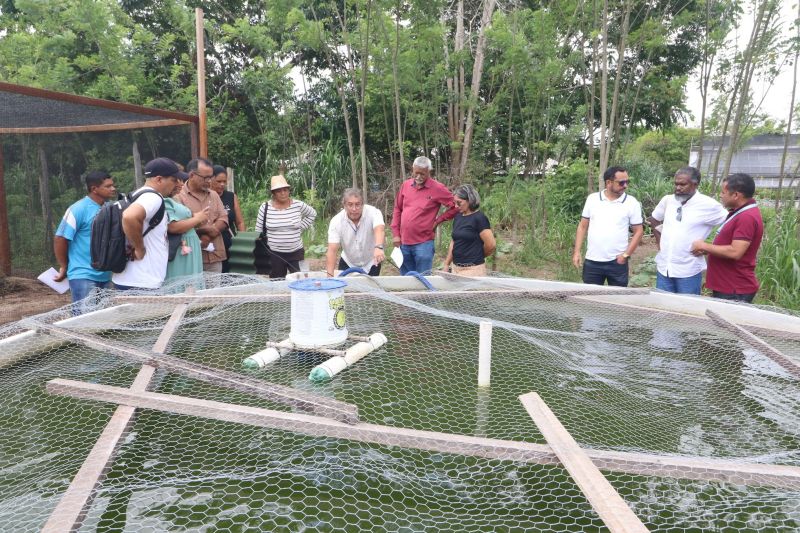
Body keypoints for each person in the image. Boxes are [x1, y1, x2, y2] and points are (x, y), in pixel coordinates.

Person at [647, 167, 728, 294]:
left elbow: (729, 225)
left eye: (683, 184)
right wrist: (660, 242)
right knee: (662, 308)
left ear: (695, 184)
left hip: (688, 270)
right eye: (676, 184)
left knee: (686, 308)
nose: (678, 188)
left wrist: (708, 247)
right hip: (664, 268)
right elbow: (654, 219)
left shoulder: (708, 205)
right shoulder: (668, 200)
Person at [691, 173, 763, 303]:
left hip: (734, 288)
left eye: (723, 192)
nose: (720, 195)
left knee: (727, 323)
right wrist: (710, 250)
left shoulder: (746, 217)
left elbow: (736, 252)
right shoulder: (739, 212)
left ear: (736, 195)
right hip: (728, 286)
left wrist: (704, 245)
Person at [53, 170, 117, 311]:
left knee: (105, 322)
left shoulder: (109, 208)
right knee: (84, 323)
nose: (113, 189)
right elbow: (60, 238)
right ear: (94, 189)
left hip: (106, 276)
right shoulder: (78, 209)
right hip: (83, 275)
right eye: (108, 186)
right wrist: (64, 266)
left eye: (113, 185)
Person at [113, 157, 180, 291]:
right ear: (159, 179)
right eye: (174, 180)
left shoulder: (135, 194)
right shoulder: (153, 197)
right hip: (142, 282)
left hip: (129, 278)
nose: (177, 184)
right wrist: (139, 248)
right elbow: (129, 216)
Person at [572, 166, 643, 286]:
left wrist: (626, 255)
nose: (625, 186)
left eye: (627, 182)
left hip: (617, 262)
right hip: (592, 261)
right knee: (590, 298)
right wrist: (577, 252)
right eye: (621, 183)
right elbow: (583, 226)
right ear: (608, 182)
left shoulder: (632, 203)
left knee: (617, 300)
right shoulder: (592, 199)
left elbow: (639, 231)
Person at [390, 156, 457, 274]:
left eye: (423, 174)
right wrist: (396, 234)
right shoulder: (405, 185)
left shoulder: (437, 188)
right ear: (412, 169)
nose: (418, 177)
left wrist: (438, 220)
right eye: (416, 173)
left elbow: (455, 206)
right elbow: (397, 209)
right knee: (406, 281)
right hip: (403, 242)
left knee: (423, 279)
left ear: (429, 172)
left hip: (424, 243)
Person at [255, 175, 317, 278]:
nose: (283, 193)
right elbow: (258, 230)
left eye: (285, 190)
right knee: (277, 283)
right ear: (273, 193)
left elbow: (312, 214)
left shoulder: (298, 205)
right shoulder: (265, 207)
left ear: (289, 191)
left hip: (296, 252)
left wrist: (300, 227)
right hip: (274, 254)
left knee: (300, 281)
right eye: (279, 191)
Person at [177, 158, 228, 274]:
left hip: (214, 257)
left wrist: (210, 234)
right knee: (191, 291)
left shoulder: (214, 195)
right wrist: (204, 230)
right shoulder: (179, 196)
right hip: (189, 258)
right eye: (205, 177)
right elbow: (178, 225)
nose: (209, 181)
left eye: (211, 177)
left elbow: (223, 218)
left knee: (214, 292)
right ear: (191, 175)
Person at [326, 188, 386, 277]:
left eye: (357, 205)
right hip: (348, 262)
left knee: (371, 289)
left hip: (371, 261)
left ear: (363, 204)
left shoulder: (374, 212)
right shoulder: (336, 221)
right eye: (350, 205)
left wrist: (378, 247)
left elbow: (379, 229)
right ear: (344, 205)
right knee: (346, 289)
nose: (354, 209)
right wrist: (329, 276)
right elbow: (332, 250)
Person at [164, 171, 207, 291]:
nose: (181, 184)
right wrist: (197, 218)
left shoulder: (174, 200)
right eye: (177, 180)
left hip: (190, 247)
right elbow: (172, 227)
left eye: (182, 181)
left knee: (192, 282)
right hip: (180, 249)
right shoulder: (164, 201)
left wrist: (197, 218)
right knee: (180, 282)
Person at [443, 184, 496, 277]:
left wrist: (478, 255)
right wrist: (447, 264)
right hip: (456, 268)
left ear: (470, 200)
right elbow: (454, 241)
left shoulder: (479, 218)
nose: (456, 206)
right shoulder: (458, 217)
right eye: (455, 203)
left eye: (459, 203)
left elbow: (491, 245)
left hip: (473, 269)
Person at [210, 165, 246, 273]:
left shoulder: (231, 196)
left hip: (230, 243)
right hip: (212, 245)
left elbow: (240, 222)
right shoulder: (206, 196)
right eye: (218, 181)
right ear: (210, 179)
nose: (222, 185)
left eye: (224, 182)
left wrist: (243, 241)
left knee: (232, 275)